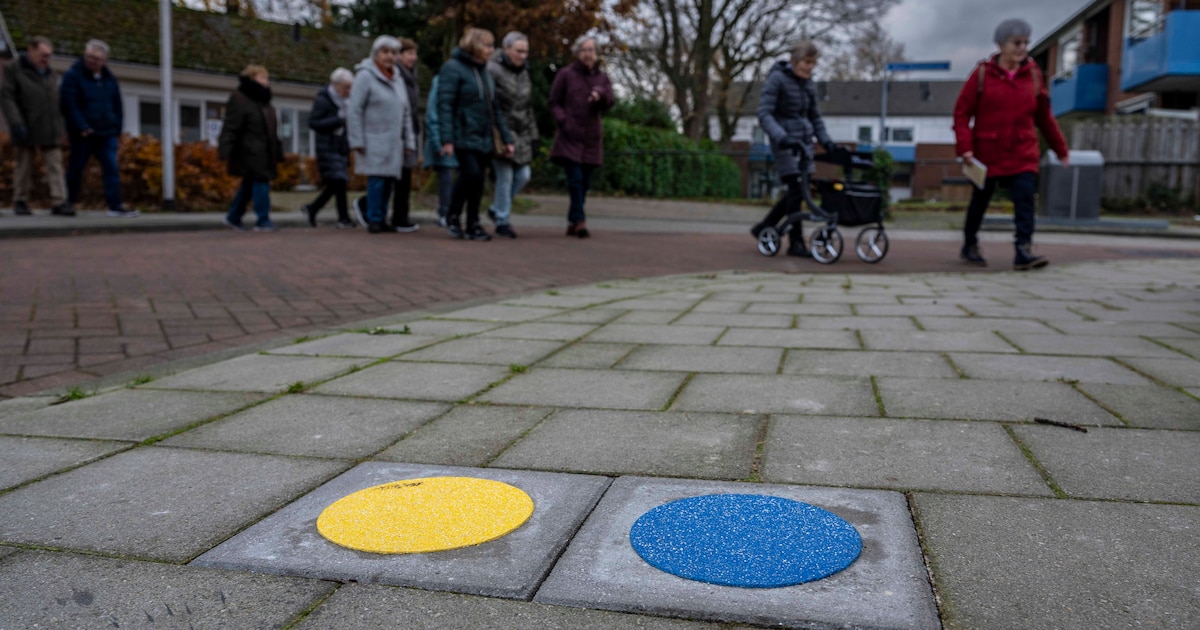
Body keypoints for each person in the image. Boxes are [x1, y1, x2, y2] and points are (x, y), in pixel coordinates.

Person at [953, 18, 1069, 271]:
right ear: (1000, 44)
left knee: (1025, 198)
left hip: (1022, 151)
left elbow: (1045, 118)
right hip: (987, 153)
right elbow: (962, 113)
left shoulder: (1034, 76)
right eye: (1017, 43)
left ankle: (1023, 250)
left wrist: (1061, 150)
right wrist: (965, 148)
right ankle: (970, 244)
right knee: (980, 201)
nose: (1022, 48)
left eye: (1026, 43)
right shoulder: (983, 74)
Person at [750, 40, 840, 257]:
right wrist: (782, 137)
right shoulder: (777, 79)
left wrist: (826, 141)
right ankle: (796, 243)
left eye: (813, 63)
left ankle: (765, 226)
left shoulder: (808, 84)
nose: (810, 67)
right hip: (785, 143)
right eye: (807, 62)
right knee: (796, 188)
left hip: (804, 142)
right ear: (795, 61)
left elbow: (814, 116)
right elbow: (764, 114)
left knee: (800, 190)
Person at [437, 27, 514, 241]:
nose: (492, 50)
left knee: (478, 180)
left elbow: (494, 108)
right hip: (463, 133)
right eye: (487, 45)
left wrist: (506, 138)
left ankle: (473, 223)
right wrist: (447, 138)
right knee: (469, 174)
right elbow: (445, 104)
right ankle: (452, 216)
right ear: (475, 45)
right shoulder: (452, 69)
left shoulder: (485, 72)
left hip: (484, 135)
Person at [60, 39, 136, 218]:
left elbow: (117, 105)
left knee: (111, 168)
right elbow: (69, 104)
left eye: (96, 58)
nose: (91, 61)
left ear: (104, 60)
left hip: (107, 133)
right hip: (83, 134)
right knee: (76, 168)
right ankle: (68, 203)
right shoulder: (73, 76)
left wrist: (117, 129)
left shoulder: (110, 80)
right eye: (88, 57)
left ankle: (115, 206)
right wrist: (81, 126)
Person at [348, 35, 416, 234]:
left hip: (394, 141)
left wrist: (409, 141)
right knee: (377, 179)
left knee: (389, 180)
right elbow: (354, 110)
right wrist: (357, 139)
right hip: (373, 138)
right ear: (376, 54)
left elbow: (406, 113)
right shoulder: (365, 76)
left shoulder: (398, 79)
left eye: (393, 53)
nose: (390, 56)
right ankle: (374, 218)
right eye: (385, 52)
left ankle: (381, 217)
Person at [548, 35, 613, 238]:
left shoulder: (602, 78)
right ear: (577, 53)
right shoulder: (566, 75)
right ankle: (581, 222)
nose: (588, 54)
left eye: (591, 50)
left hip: (591, 138)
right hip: (570, 135)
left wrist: (600, 95)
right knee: (574, 180)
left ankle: (573, 220)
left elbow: (610, 102)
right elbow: (553, 102)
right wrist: (563, 121)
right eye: (584, 50)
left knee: (584, 183)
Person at [1, 36, 68, 216]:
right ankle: (20, 200)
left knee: (55, 164)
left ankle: (59, 201)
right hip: (25, 124)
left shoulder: (51, 74)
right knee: (24, 165)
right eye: (43, 55)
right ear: (30, 50)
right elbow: (7, 97)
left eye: (49, 56)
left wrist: (60, 126)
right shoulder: (14, 69)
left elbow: (56, 102)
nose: (46, 59)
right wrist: (16, 123)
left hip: (49, 125)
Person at [218, 64, 284, 232]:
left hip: (263, 151)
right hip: (249, 151)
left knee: (248, 185)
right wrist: (225, 149)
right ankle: (263, 219)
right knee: (261, 182)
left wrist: (278, 150)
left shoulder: (265, 101)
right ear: (252, 79)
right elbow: (231, 126)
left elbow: (271, 129)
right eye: (263, 78)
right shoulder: (240, 99)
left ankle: (233, 217)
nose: (266, 82)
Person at [486, 31, 538, 239]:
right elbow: (491, 105)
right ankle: (502, 220)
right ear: (506, 49)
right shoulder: (492, 69)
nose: (523, 55)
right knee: (505, 177)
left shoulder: (524, 73)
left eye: (525, 51)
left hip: (522, 132)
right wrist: (500, 134)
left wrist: (533, 135)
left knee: (524, 175)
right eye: (519, 51)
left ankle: (496, 208)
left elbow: (528, 107)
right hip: (501, 131)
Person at [301, 68, 355, 229]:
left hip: (340, 147)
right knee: (339, 181)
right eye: (346, 87)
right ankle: (343, 218)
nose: (349, 91)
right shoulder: (323, 100)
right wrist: (337, 120)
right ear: (336, 85)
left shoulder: (347, 103)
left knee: (336, 183)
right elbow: (313, 123)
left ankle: (312, 208)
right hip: (327, 146)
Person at [389, 37, 421, 232]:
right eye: (410, 53)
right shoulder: (396, 76)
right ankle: (396, 216)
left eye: (415, 53)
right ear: (399, 55)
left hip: (409, 130)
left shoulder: (411, 76)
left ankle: (402, 216)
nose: (414, 57)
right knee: (396, 177)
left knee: (405, 176)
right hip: (397, 132)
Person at [423, 73, 457, 228]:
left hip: (460, 139)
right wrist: (438, 141)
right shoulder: (441, 81)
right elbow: (432, 113)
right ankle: (445, 212)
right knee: (447, 176)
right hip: (444, 139)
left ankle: (451, 211)